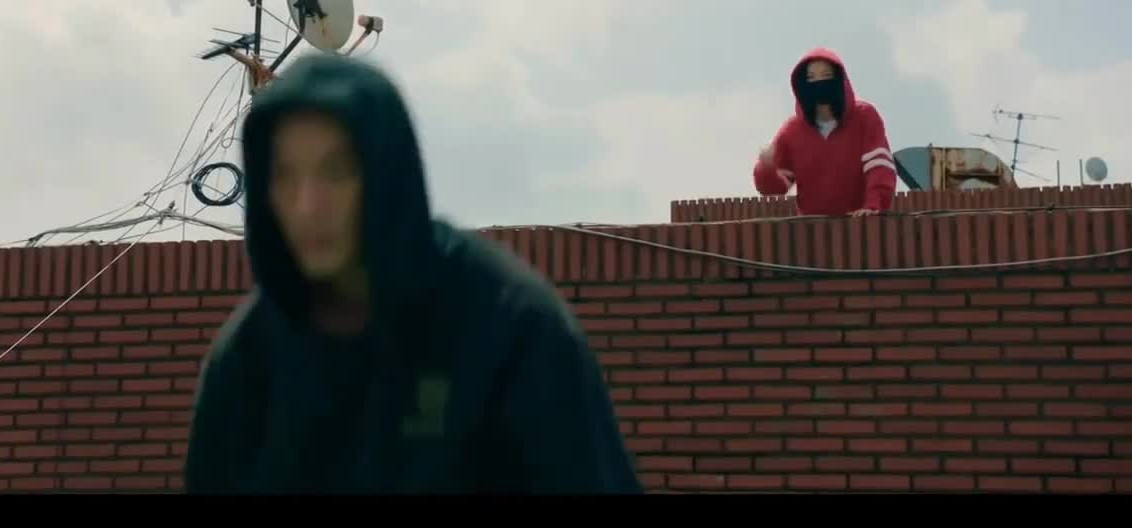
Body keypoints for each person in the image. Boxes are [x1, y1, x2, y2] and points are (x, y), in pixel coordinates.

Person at [184, 53, 641, 494]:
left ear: (386, 175)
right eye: (284, 176)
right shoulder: (249, 355)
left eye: (335, 172)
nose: (307, 206)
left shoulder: (513, 327)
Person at [752, 47, 897, 216]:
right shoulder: (791, 131)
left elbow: (880, 167)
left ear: (840, 80)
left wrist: (873, 206)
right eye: (811, 78)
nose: (819, 82)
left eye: (826, 75)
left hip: (860, 225)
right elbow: (775, 188)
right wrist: (766, 168)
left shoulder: (865, 117)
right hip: (812, 228)